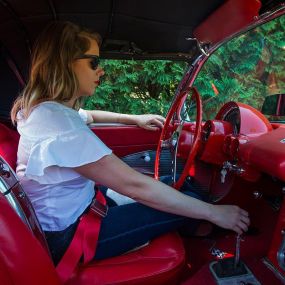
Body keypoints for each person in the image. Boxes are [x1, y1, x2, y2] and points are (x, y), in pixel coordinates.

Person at [11, 21, 250, 266]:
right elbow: (136, 186)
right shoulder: (61, 128)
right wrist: (216, 213)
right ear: (64, 64)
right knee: (183, 199)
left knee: (171, 186)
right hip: (67, 237)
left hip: (75, 211)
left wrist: (134, 118)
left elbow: (90, 115)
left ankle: (195, 227)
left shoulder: (46, 111)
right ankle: (210, 247)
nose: (101, 71)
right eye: (93, 63)